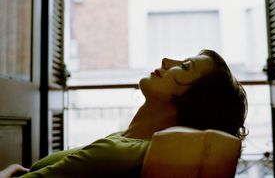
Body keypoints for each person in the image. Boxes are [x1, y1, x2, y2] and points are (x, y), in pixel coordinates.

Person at [0, 49, 247, 177]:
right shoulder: (129, 140)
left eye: (184, 66)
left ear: (196, 100)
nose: (166, 60)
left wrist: (9, 169)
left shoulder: (119, 153)